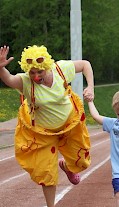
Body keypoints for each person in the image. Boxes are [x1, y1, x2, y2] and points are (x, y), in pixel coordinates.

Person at [0, 45, 94, 207]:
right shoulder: (25, 82)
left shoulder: (60, 69)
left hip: (69, 125)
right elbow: (9, 79)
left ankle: (67, 166)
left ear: (46, 67)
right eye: (32, 72)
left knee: (82, 162)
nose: (36, 76)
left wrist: (90, 87)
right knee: (46, 172)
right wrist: (0, 68)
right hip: (42, 133)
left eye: (40, 72)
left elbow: (85, 64)